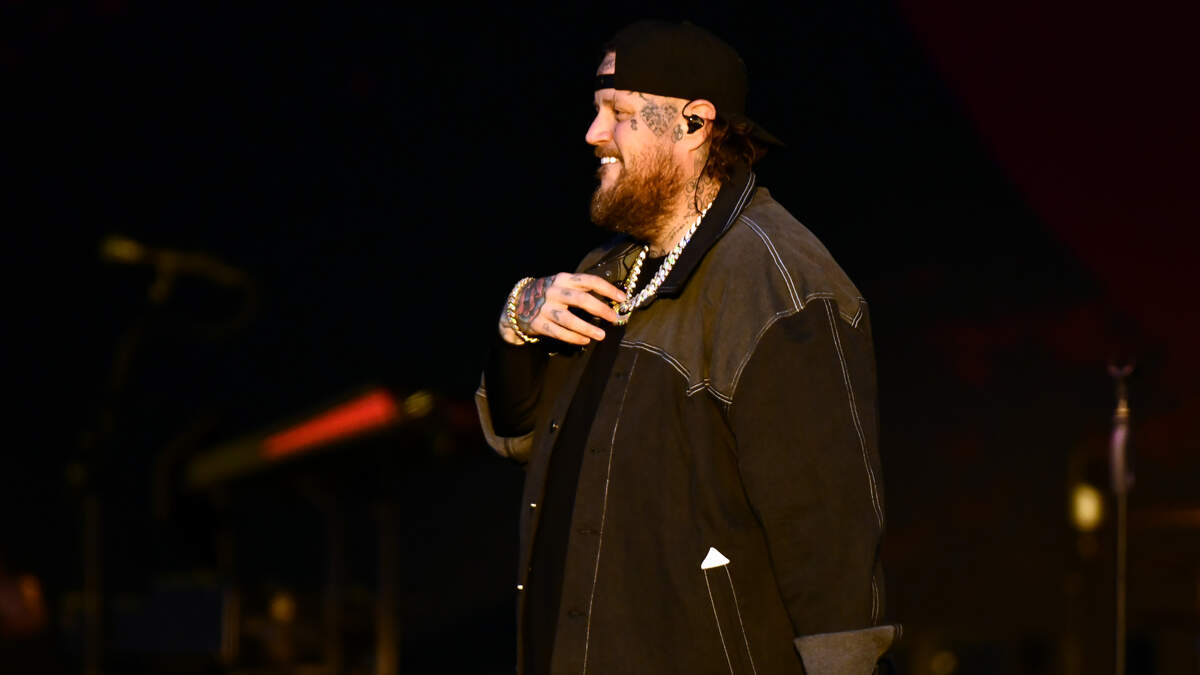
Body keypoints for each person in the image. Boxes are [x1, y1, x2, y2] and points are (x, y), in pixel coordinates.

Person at [476, 19, 896, 675]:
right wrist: (517, 324)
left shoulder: (778, 283)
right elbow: (520, 434)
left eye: (618, 113)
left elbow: (830, 545)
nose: (593, 133)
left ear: (694, 123)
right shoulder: (607, 270)